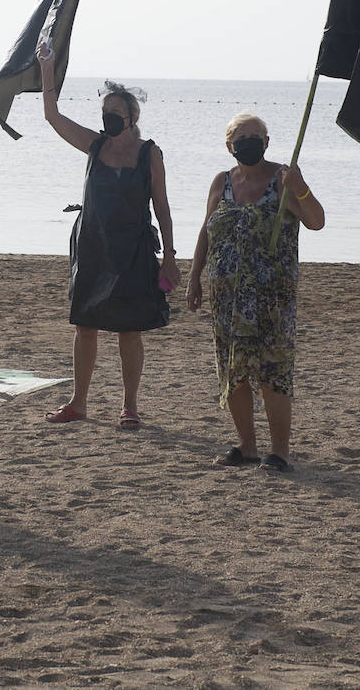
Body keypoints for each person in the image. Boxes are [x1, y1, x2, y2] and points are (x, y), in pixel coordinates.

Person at [36, 43, 178, 430]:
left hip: (133, 249)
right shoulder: (94, 145)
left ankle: (129, 406)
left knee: (129, 330)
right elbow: (52, 116)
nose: (108, 119)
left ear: (132, 116)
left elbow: (162, 207)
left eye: (115, 113)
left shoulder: (150, 153)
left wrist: (169, 255)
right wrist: (47, 68)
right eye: (104, 113)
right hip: (92, 245)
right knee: (86, 325)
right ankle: (78, 403)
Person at [185, 113, 323, 472]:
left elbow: (316, 220)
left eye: (255, 136)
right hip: (226, 297)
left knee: (273, 372)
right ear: (229, 145)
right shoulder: (222, 182)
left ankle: (279, 453)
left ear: (266, 141)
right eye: (240, 137)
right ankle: (246, 446)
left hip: (272, 298)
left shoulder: (282, 179)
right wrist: (194, 277)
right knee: (234, 371)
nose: (248, 141)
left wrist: (301, 188)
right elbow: (206, 231)